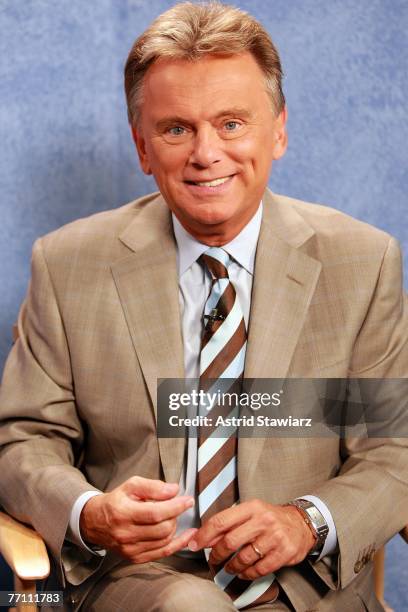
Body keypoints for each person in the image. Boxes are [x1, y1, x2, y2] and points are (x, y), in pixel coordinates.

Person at [0, 2, 407, 610]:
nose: (206, 153)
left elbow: (390, 448)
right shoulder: (67, 264)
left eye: (232, 123)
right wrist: (90, 513)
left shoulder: (362, 262)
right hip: (138, 583)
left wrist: (307, 522)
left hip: (311, 586)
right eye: (176, 129)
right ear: (142, 147)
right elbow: (24, 440)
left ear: (279, 130)